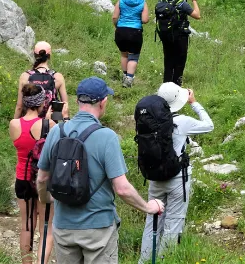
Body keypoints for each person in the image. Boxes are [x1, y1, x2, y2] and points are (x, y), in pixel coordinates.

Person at [36, 77, 164, 264]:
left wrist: (44, 198)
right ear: (103, 102)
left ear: (78, 101)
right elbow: (122, 189)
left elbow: (42, 179)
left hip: (63, 227)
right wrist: (148, 207)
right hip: (98, 230)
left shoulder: (57, 131)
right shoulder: (106, 136)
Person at [138, 83, 213, 263]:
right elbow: (209, 125)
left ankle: (145, 260)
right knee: (173, 223)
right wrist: (194, 103)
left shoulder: (148, 121)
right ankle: (164, 260)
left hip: (155, 178)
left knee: (153, 221)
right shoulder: (182, 121)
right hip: (177, 178)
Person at [9, 83, 56, 264]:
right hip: (42, 180)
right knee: (47, 228)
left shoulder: (14, 124)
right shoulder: (48, 124)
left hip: (22, 178)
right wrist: (51, 120)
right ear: (42, 103)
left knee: (26, 226)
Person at [157, 0, 200, 86]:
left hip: (166, 37)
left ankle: (166, 87)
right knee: (179, 64)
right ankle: (176, 88)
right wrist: (194, 0)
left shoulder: (162, 1)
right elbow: (197, 15)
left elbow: (172, 6)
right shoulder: (182, 4)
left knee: (168, 62)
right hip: (180, 38)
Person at [15, 41, 69, 122]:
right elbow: (65, 105)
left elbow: (19, 106)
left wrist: (15, 124)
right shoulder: (57, 77)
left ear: (34, 54)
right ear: (49, 56)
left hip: (29, 124)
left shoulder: (25, 76)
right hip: (49, 124)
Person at [112, 0, 150, 88]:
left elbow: (115, 17)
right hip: (135, 32)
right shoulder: (143, 1)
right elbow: (145, 19)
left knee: (124, 54)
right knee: (133, 57)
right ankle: (129, 79)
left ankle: (124, 76)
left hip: (121, 31)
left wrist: (117, 26)